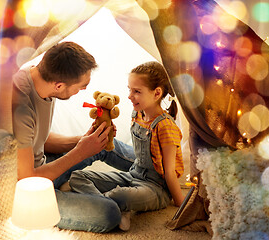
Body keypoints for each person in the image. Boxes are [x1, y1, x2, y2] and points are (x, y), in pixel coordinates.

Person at [12, 41, 134, 232]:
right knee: (108, 213)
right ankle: (68, 188)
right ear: (59, 85)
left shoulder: (40, 77)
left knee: (102, 141)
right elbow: (27, 177)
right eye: (81, 86)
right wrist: (79, 153)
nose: (84, 90)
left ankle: (155, 172)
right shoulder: (20, 104)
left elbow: (37, 140)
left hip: (42, 166)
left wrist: (82, 142)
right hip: (25, 191)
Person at [69, 61, 185, 231]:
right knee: (77, 176)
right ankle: (111, 206)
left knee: (119, 194)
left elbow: (169, 172)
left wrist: (181, 204)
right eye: (129, 89)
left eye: (136, 91)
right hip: (133, 173)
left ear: (157, 93)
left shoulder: (166, 126)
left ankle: (111, 205)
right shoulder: (137, 113)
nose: (130, 96)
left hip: (155, 188)